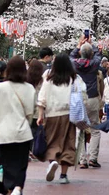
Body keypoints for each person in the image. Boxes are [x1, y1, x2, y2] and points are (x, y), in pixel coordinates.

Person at [0, 56, 35, 195]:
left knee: (6, 163)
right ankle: (17, 188)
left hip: (2, 133)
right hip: (22, 132)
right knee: (21, 164)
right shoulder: (29, 88)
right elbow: (30, 113)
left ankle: (9, 188)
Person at [37, 53, 85, 184]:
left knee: (52, 142)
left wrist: (40, 115)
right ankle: (63, 176)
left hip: (52, 115)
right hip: (69, 116)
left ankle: (53, 162)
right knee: (68, 145)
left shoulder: (48, 77)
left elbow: (42, 98)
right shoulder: (73, 78)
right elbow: (82, 93)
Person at [69, 36, 103, 169]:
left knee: (80, 129)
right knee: (95, 129)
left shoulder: (74, 64)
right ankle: (93, 158)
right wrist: (92, 45)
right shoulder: (94, 64)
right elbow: (99, 55)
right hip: (93, 98)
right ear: (91, 54)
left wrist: (79, 45)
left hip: (79, 99)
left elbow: (70, 56)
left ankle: (82, 160)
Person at [27, 59, 45, 140]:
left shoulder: (26, 81)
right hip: (39, 113)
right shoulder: (43, 81)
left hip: (28, 111)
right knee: (37, 136)